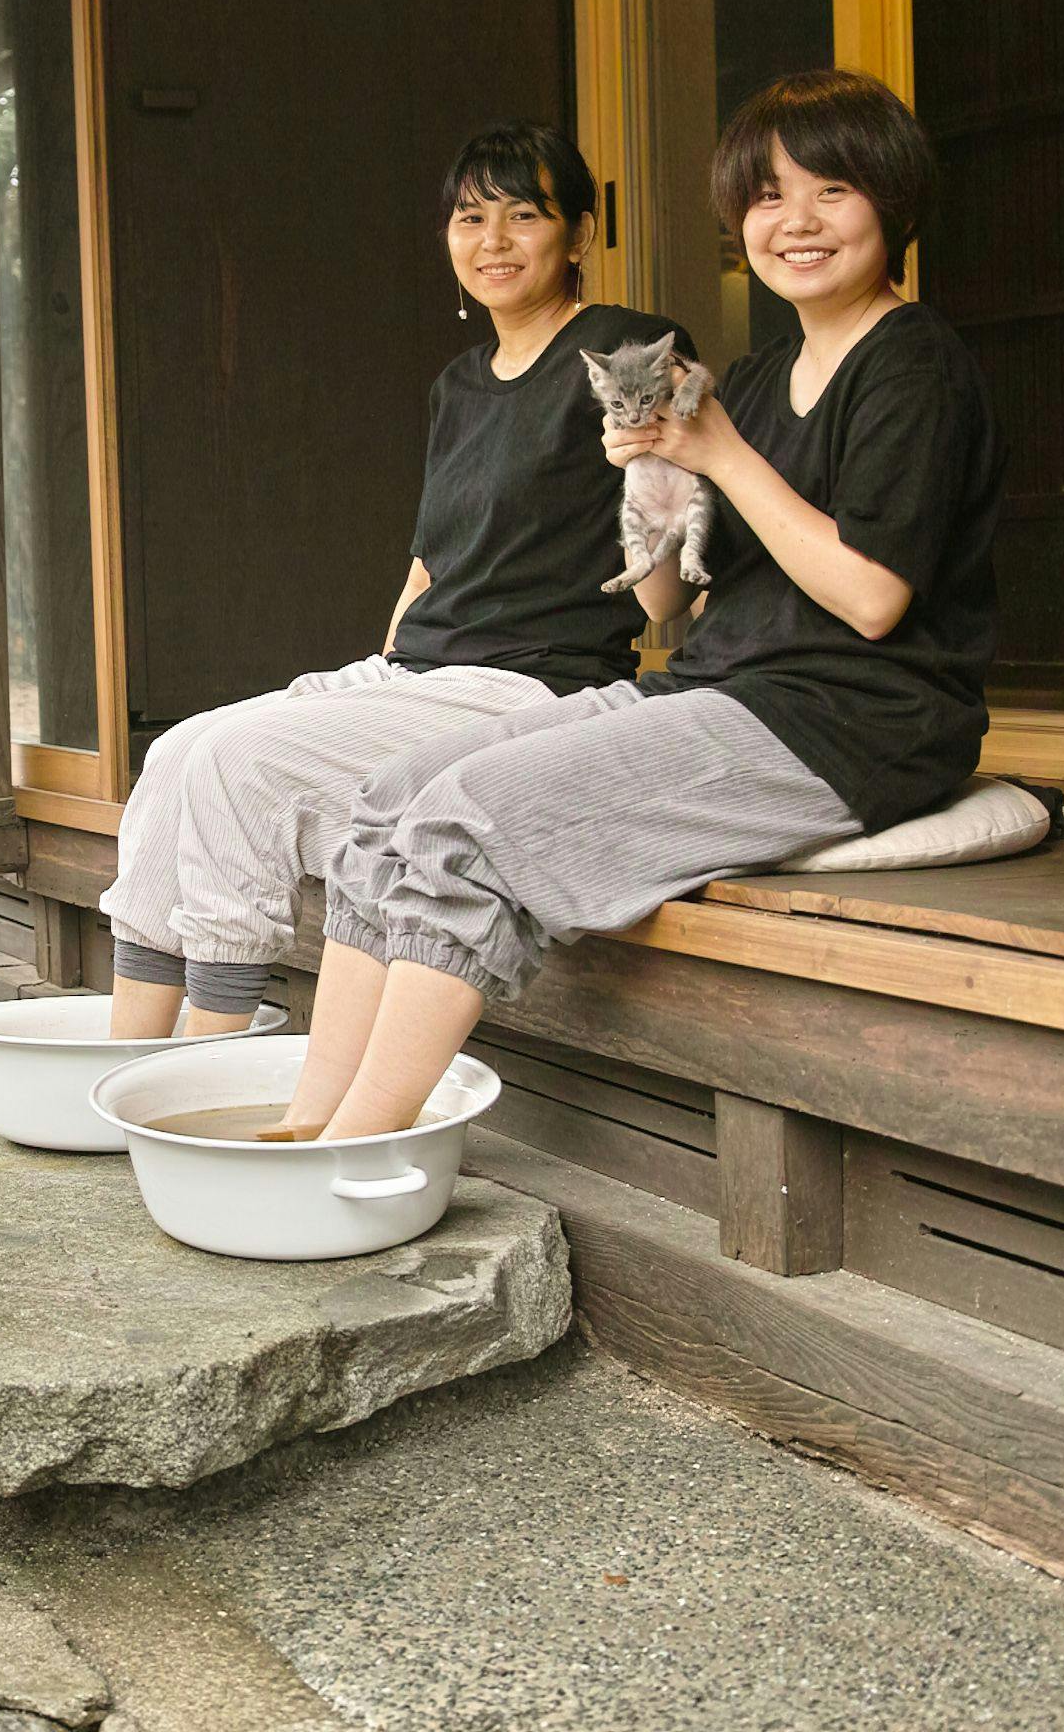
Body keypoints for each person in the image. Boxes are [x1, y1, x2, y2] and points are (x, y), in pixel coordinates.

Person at [276, 68, 1003, 1140]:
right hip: (719, 684)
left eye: (831, 192)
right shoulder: (755, 379)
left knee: (469, 828)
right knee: (387, 801)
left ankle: (355, 1149)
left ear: (891, 202)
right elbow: (665, 605)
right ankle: (304, 1120)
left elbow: (874, 596)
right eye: (765, 198)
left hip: (851, 719)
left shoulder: (914, 363)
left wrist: (722, 455)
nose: (795, 221)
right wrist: (653, 478)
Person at [102, 123, 691, 1039]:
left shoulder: (624, 349)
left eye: (521, 214)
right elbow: (428, 565)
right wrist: (372, 676)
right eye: (468, 217)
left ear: (579, 234)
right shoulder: (457, 385)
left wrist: (656, 466)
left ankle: (206, 1058)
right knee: (178, 752)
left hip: (531, 682)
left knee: (236, 763)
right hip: (421, 675)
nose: (490, 241)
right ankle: (124, 1060)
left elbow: (666, 600)